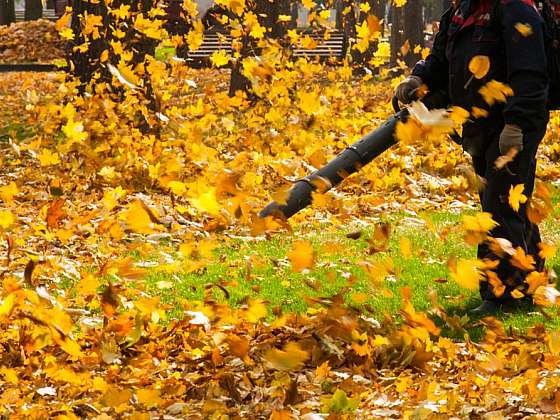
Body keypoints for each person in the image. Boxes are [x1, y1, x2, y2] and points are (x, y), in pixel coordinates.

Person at [395, 0, 549, 314]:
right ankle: (530, 280)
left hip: (511, 124)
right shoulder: (460, 12)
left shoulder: (516, 7)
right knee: (506, 202)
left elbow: (530, 74)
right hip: (481, 126)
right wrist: (418, 79)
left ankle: (504, 297)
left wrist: (517, 124)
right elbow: (439, 60)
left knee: (500, 207)